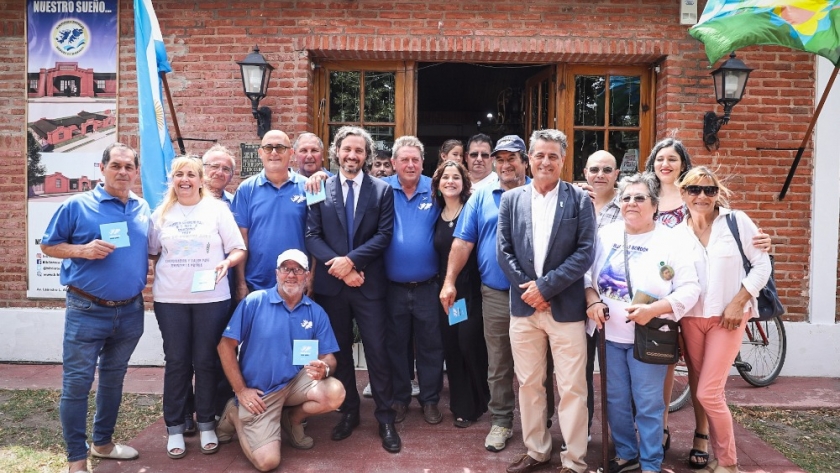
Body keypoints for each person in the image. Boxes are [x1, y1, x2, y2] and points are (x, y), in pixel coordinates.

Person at [440, 134, 554, 452]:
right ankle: (502, 422)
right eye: (500, 159)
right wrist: (449, 280)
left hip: (536, 295)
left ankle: (540, 421)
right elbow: (463, 241)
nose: (505, 165)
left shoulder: (543, 192)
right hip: (495, 294)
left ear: (525, 161)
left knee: (538, 364)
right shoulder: (480, 197)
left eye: (512, 159)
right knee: (499, 363)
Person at [40, 142, 150, 473]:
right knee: (77, 383)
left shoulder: (142, 207)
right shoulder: (77, 205)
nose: (122, 172)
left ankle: (103, 443)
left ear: (135, 172)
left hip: (130, 311)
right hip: (87, 310)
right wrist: (83, 250)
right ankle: (77, 457)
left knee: (113, 380)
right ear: (101, 168)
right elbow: (48, 245)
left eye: (128, 167)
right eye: (116, 165)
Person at [585, 172, 700, 473]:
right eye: (626, 198)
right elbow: (586, 275)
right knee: (616, 402)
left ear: (654, 204)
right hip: (609, 336)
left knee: (648, 405)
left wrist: (656, 310)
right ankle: (626, 453)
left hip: (648, 336)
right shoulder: (606, 234)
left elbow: (690, 288)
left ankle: (651, 464)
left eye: (639, 198)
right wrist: (593, 300)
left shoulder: (671, 240)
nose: (631, 203)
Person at [497, 129, 595, 473]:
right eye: (539, 155)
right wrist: (531, 291)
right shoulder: (511, 200)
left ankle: (574, 460)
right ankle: (537, 450)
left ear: (563, 160)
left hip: (565, 310)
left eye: (553, 156)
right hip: (524, 309)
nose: (545, 161)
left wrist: (546, 288)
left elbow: (585, 253)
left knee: (571, 387)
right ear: (529, 159)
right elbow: (504, 251)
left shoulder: (580, 200)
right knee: (529, 384)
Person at [304, 126, 401, 452]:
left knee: (378, 351)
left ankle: (386, 418)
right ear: (337, 152)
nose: (352, 156)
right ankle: (348, 412)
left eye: (359, 151)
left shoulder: (382, 191)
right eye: (347, 150)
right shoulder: (320, 187)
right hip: (334, 287)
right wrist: (342, 268)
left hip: (369, 284)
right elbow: (312, 236)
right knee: (340, 352)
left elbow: (384, 235)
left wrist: (352, 263)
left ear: (366, 155)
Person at [149, 156, 246, 459]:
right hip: (171, 300)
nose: (185, 179)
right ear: (173, 180)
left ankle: (206, 422)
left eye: (191, 174)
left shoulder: (217, 210)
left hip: (211, 300)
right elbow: (153, 252)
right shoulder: (160, 214)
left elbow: (239, 248)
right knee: (177, 362)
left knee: (205, 362)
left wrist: (226, 263)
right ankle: (175, 426)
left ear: (201, 179)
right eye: (180, 174)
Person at [677, 167, 772, 473]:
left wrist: (738, 302)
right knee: (704, 389)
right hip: (691, 319)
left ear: (717, 193)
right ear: (683, 194)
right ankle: (719, 457)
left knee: (707, 392)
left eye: (709, 190)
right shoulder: (677, 231)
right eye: (694, 190)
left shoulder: (736, 221)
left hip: (728, 319)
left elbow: (761, 265)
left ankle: (728, 463)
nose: (702, 196)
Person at [216, 249, 345, 472]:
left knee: (335, 392)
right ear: (277, 273)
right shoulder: (255, 302)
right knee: (268, 462)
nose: (291, 275)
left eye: (298, 269)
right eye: (286, 269)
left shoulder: (315, 312)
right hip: (260, 393)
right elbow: (225, 346)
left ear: (307, 275)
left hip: (295, 382)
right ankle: (236, 413)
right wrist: (241, 390)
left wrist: (324, 368)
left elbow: (329, 357)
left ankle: (292, 419)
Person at [382, 136, 445, 426]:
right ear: (393, 163)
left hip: (428, 287)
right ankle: (400, 399)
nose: (410, 164)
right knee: (395, 346)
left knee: (431, 346)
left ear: (423, 163)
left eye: (415, 160)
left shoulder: (435, 190)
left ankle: (430, 400)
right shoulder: (382, 191)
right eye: (404, 159)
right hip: (392, 288)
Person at [431, 160, 489, 428]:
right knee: (452, 347)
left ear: (465, 183)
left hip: (468, 291)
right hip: (444, 293)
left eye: (456, 177)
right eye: (445, 177)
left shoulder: (471, 210)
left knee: (469, 345)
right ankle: (461, 405)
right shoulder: (435, 213)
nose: (450, 181)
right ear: (438, 183)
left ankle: (480, 400)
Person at [231, 130, 308, 297]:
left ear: (291, 153)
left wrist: (313, 278)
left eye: (280, 148)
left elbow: (317, 236)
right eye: (268, 148)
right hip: (257, 284)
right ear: (260, 153)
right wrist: (241, 282)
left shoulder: (309, 187)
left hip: (298, 283)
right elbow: (240, 240)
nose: (274, 153)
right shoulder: (246, 189)